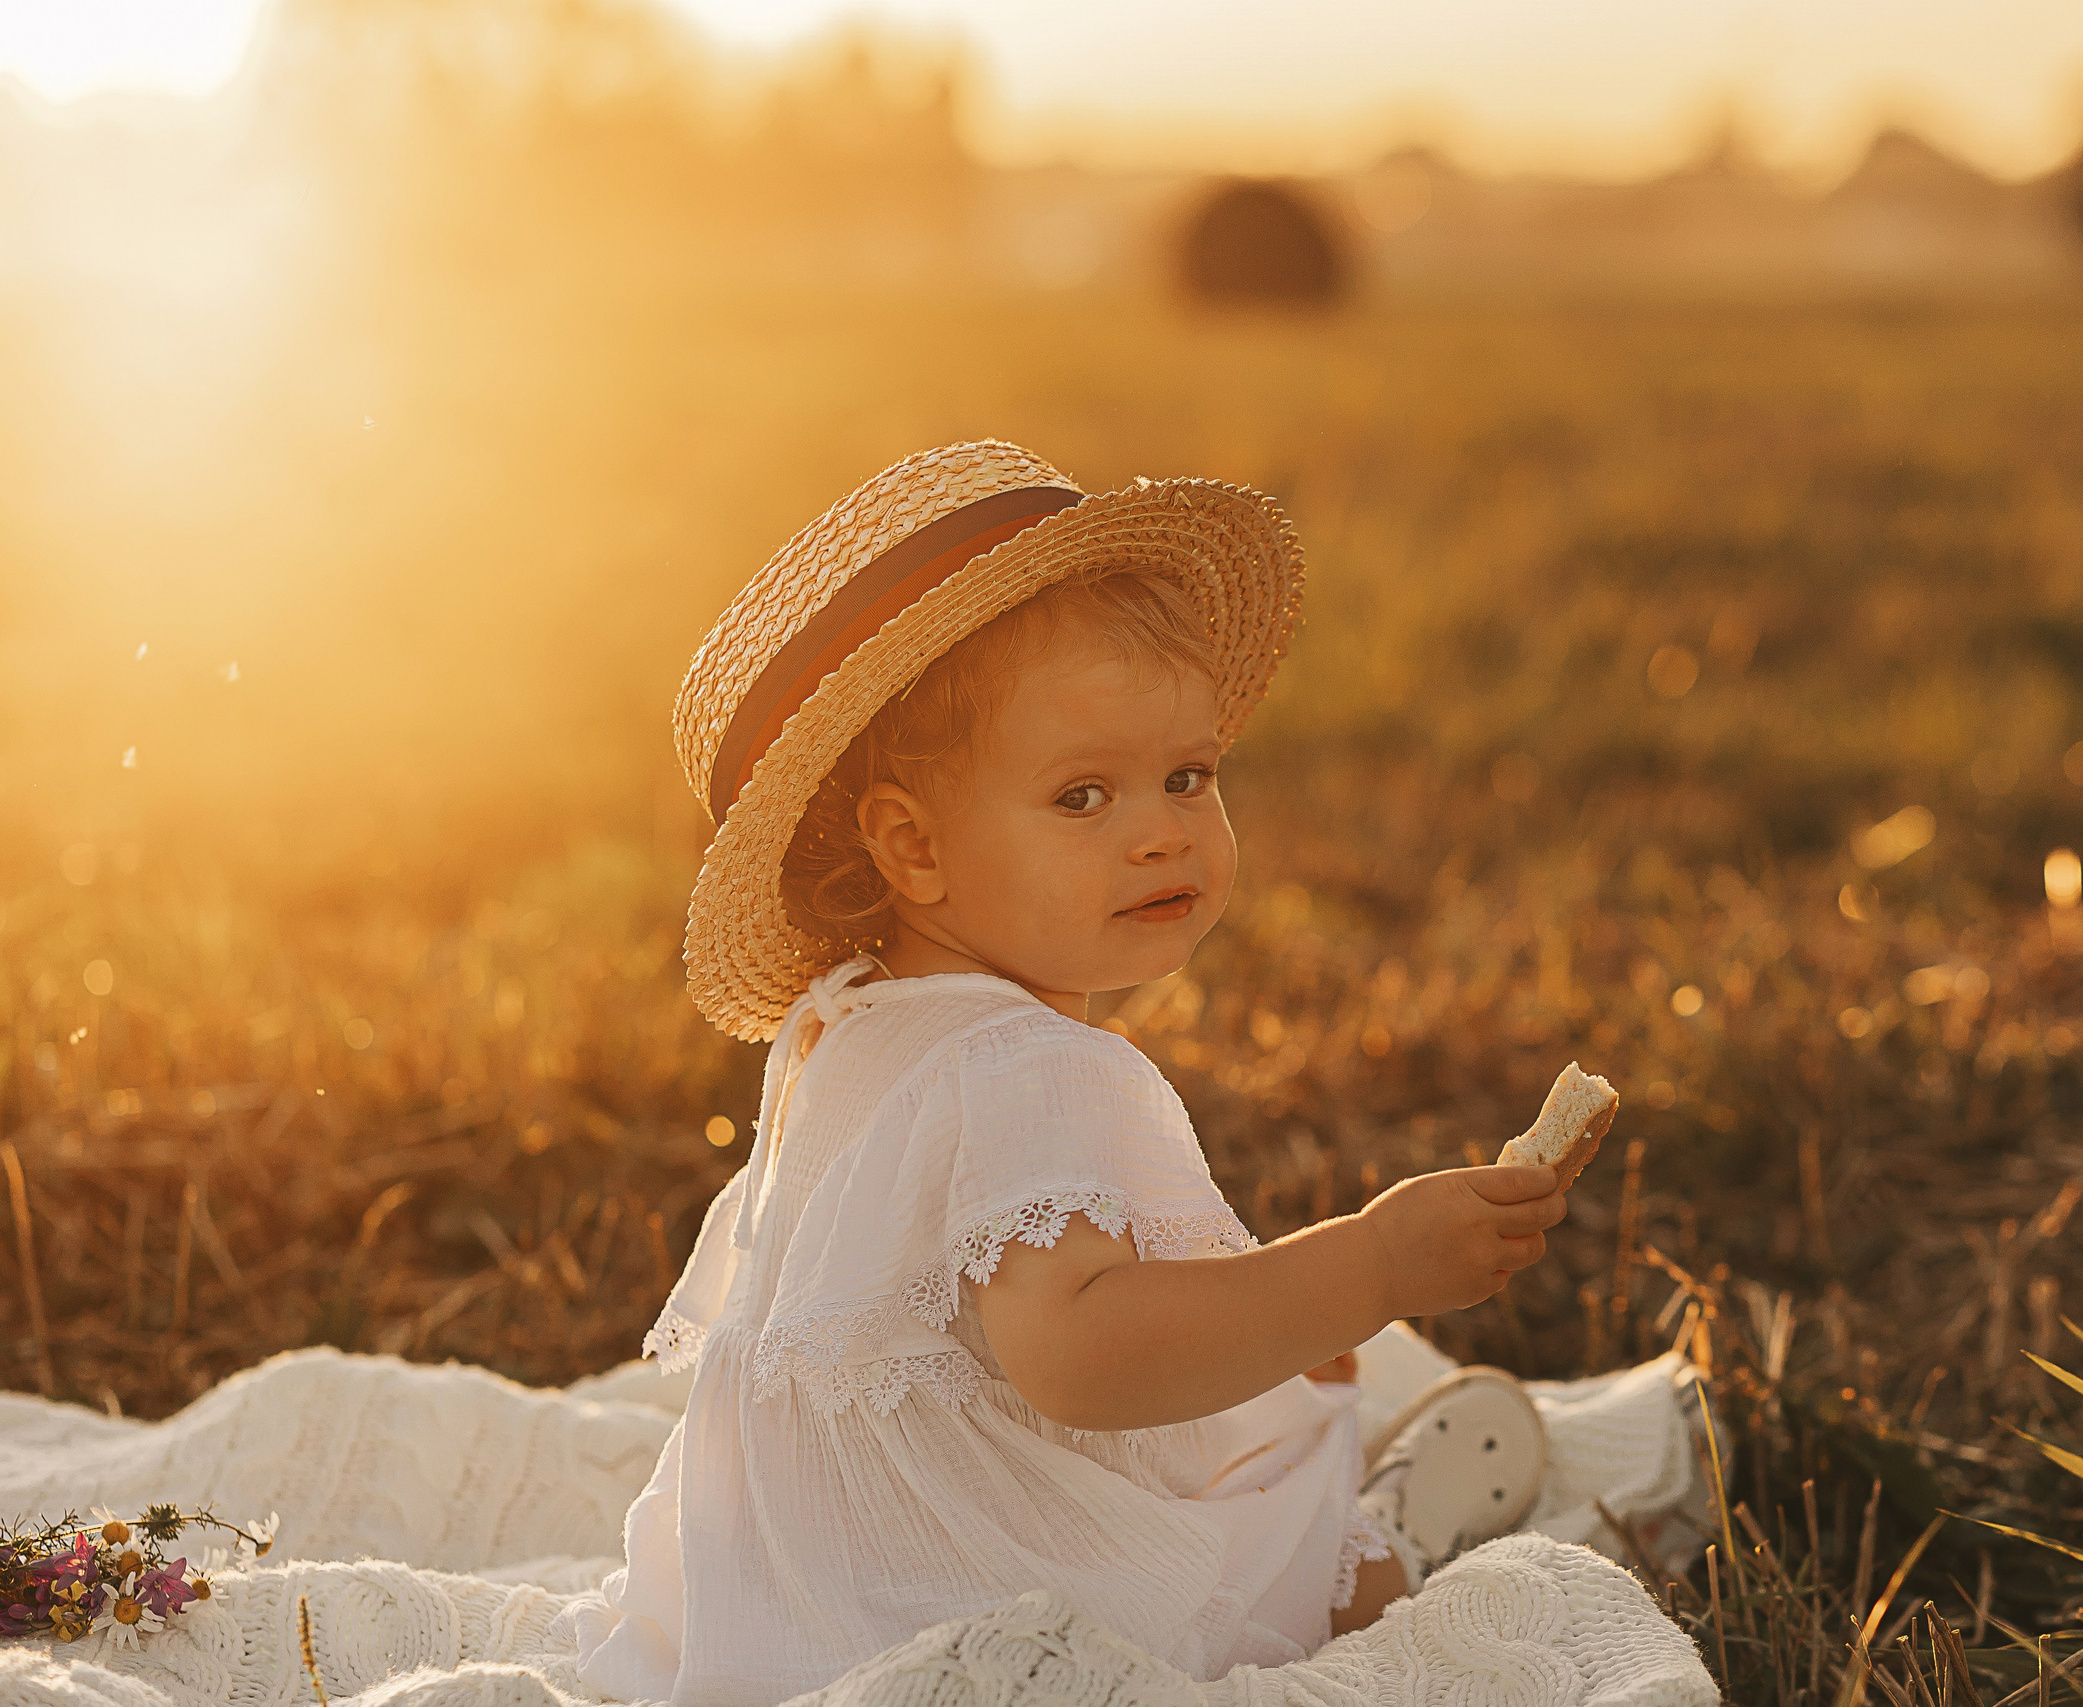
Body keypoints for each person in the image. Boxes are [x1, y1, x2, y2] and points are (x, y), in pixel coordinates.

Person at [572, 441, 1569, 1706]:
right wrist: (1361, 1272)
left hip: (787, 1587)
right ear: (913, 847)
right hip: (982, 1582)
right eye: (1083, 794)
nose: (1161, 829)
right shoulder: (1035, 1067)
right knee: (1310, 1552)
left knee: (1273, 1407)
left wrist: (1268, 1318)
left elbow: (965, 1303)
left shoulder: (849, 1025)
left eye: (1187, 777)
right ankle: (1409, 1540)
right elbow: (1082, 1359)